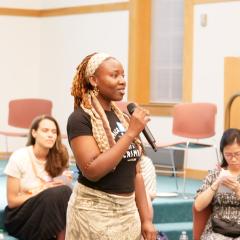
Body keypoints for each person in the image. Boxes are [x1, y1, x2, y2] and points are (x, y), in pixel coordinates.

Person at [65, 52, 156, 240]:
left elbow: (136, 172)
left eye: (123, 75)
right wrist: (131, 133)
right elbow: (92, 170)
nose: (122, 81)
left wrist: (146, 219)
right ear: (94, 80)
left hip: (128, 214)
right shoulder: (80, 118)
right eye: (114, 75)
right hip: (94, 214)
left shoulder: (122, 117)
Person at [4, 115, 72, 240]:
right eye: (45, 131)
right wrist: (42, 190)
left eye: (54, 132)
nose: (50, 135)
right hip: (20, 216)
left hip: (49, 213)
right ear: (34, 133)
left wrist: (64, 180)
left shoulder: (60, 154)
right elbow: (12, 201)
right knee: (58, 193)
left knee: (65, 191)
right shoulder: (19, 157)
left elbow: (61, 193)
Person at [194, 128, 240, 240]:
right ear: (222, 153)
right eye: (228, 155)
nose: (233, 159)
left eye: (237, 154)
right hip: (217, 230)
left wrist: (238, 191)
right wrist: (215, 185)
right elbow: (198, 206)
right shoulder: (215, 174)